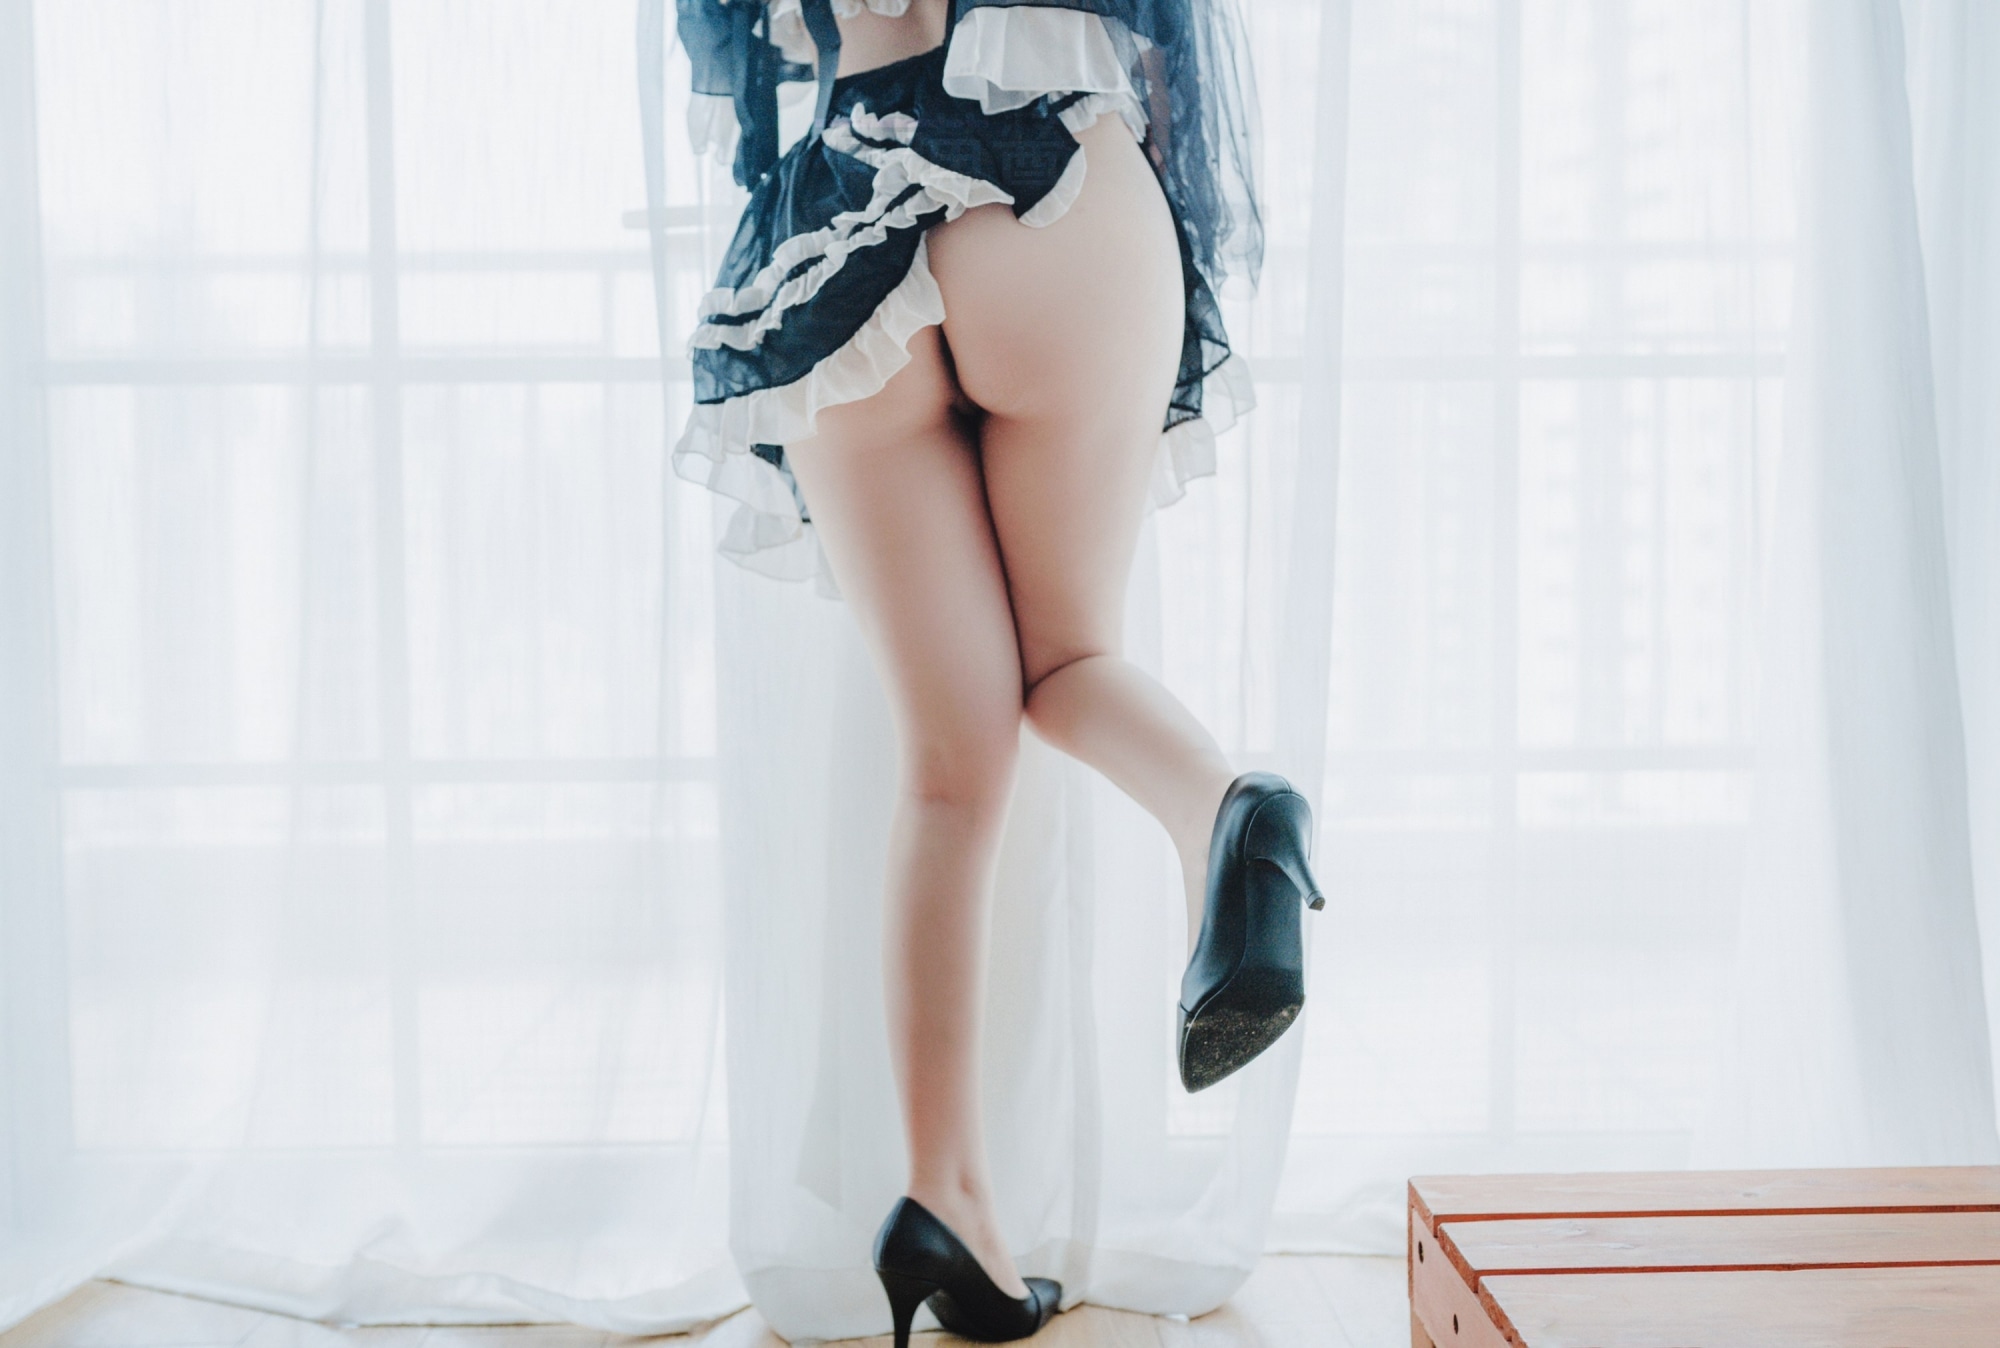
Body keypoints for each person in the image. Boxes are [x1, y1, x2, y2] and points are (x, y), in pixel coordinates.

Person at [670, 0, 1322, 1342]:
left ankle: (944, 1197)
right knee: (1067, 658)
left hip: (847, 219)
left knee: (949, 766)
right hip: (1053, 184)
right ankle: (1225, 814)